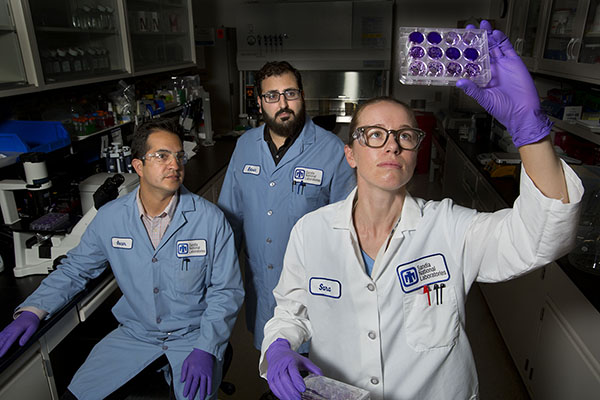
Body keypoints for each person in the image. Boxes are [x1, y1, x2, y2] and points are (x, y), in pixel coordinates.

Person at [259, 21, 584, 400]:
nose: (391, 146)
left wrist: (529, 128)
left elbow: (541, 237)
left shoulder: (450, 227)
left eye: (405, 136)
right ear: (350, 153)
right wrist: (279, 344)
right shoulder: (310, 232)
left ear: (415, 152)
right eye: (375, 134)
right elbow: (290, 312)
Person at [0, 119, 244, 400]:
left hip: (194, 336)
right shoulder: (111, 218)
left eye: (179, 156)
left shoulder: (210, 219)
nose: (175, 165)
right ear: (138, 166)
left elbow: (226, 291)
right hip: (134, 336)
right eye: (161, 156)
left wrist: (207, 347)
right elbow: (76, 269)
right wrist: (33, 309)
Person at [217, 61, 356, 353]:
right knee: (272, 358)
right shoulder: (245, 146)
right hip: (261, 280)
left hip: (314, 286)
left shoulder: (331, 150)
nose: (282, 104)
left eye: (290, 93)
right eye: (272, 96)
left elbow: (349, 230)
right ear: (259, 102)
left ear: (302, 96)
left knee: (314, 367)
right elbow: (231, 219)